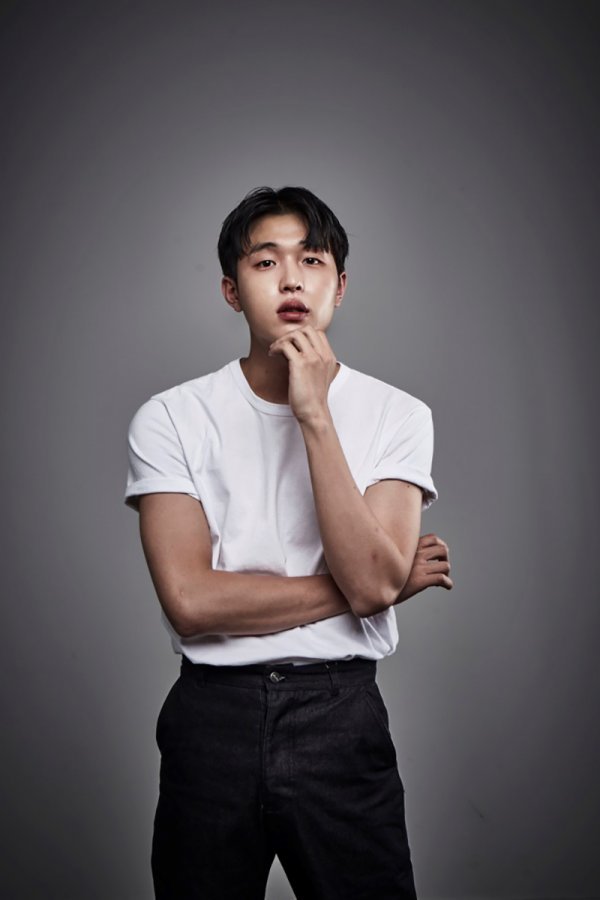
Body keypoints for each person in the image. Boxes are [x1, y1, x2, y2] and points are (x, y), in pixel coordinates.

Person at [124, 186, 452, 899]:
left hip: (340, 715)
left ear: (341, 285)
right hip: (213, 719)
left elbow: (371, 583)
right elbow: (190, 603)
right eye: (265, 262)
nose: (292, 280)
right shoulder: (171, 417)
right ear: (231, 291)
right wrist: (372, 590)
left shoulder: (398, 415)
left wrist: (314, 415)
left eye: (312, 260)